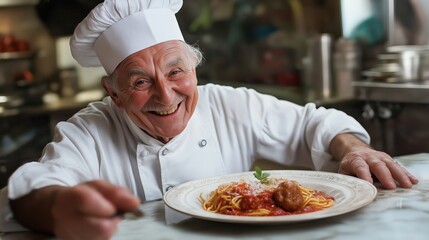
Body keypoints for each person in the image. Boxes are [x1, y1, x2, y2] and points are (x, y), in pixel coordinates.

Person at [3, 0, 418, 239]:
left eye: (176, 71)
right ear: (112, 92)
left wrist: (354, 150)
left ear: (195, 70)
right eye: (140, 81)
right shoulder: (88, 131)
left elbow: (316, 123)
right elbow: (34, 189)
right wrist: (60, 209)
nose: (166, 96)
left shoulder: (229, 105)